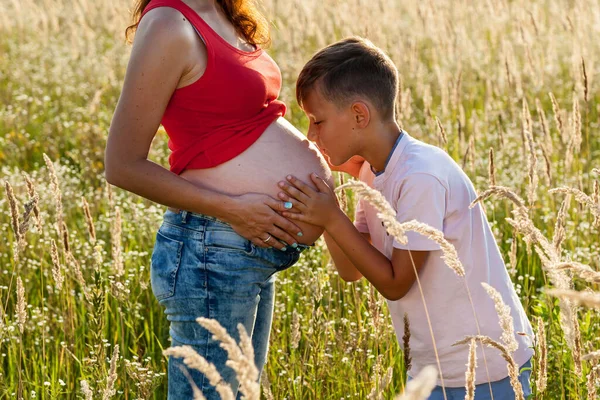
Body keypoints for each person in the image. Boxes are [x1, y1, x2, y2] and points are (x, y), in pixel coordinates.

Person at [277, 36, 534, 399]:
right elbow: (351, 270)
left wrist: (332, 218)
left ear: (358, 115)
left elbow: (397, 283)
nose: (310, 135)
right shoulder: (372, 172)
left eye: (317, 121)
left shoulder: (420, 176)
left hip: (486, 366)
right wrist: (328, 205)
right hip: (433, 368)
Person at [103, 0, 332, 398]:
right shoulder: (168, 24)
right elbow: (122, 165)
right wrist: (234, 209)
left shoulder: (227, 12)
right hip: (213, 245)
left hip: (247, 248)